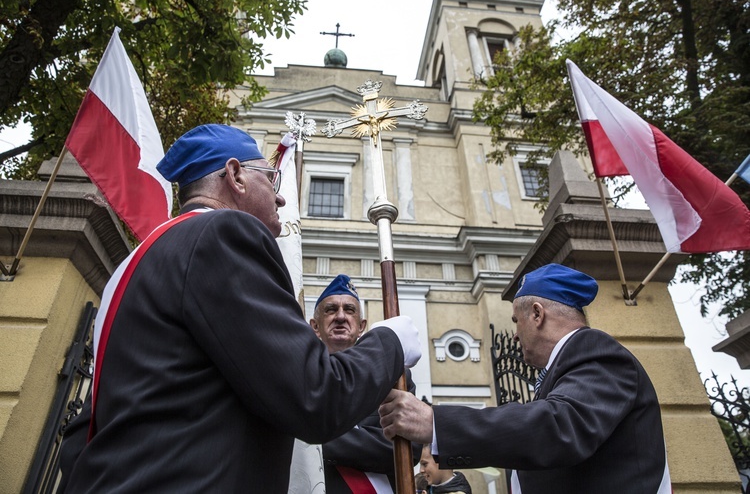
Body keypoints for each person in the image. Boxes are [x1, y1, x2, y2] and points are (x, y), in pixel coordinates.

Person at [61, 124, 421, 492]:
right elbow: (315, 396)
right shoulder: (225, 233)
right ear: (235, 175)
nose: (280, 199)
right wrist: (389, 341)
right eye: (271, 178)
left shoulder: (137, 261)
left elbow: (80, 436)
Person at [379, 263, 671, 493]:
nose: (515, 335)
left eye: (516, 322)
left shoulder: (596, 351)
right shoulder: (567, 368)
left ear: (537, 314)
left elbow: (557, 426)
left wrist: (435, 423)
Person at [310, 274, 420, 493]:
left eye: (349, 310)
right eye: (331, 310)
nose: (340, 316)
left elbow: (406, 447)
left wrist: (312, 438)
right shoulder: (301, 373)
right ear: (315, 326)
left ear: (361, 326)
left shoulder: (395, 377)